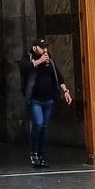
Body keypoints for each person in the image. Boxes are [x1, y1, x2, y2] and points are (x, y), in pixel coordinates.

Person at [19, 37, 72, 168]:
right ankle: (33, 153)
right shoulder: (29, 57)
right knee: (38, 123)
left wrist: (65, 91)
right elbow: (23, 68)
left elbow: (58, 76)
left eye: (46, 47)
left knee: (43, 127)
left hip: (48, 100)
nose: (45, 50)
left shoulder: (49, 60)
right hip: (35, 99)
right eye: (42, 47)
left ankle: (41, 155)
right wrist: (39, 61)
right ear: (35, 47)